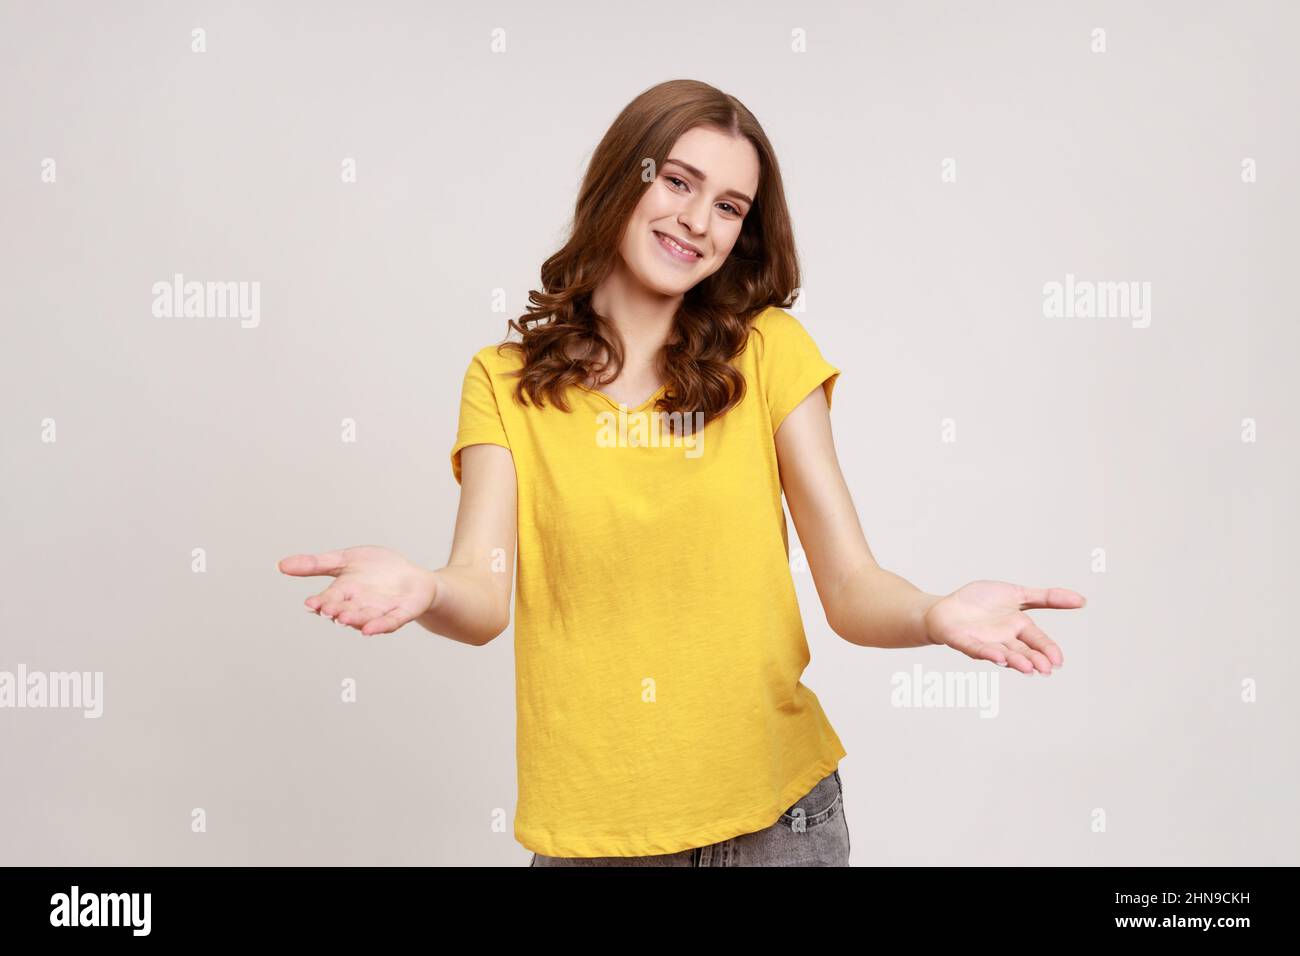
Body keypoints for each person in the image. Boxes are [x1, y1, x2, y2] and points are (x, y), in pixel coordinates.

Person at [277, 78, 1085, 867]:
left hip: (780, 826)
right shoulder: (503, 380)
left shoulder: (767, 351)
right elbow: (483, 595)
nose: (698, 221)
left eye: (730, 207)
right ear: (620, 179)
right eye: (677, 181)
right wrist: (425, 589)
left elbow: (850, 586)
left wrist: (935, 612)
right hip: (593, 839)